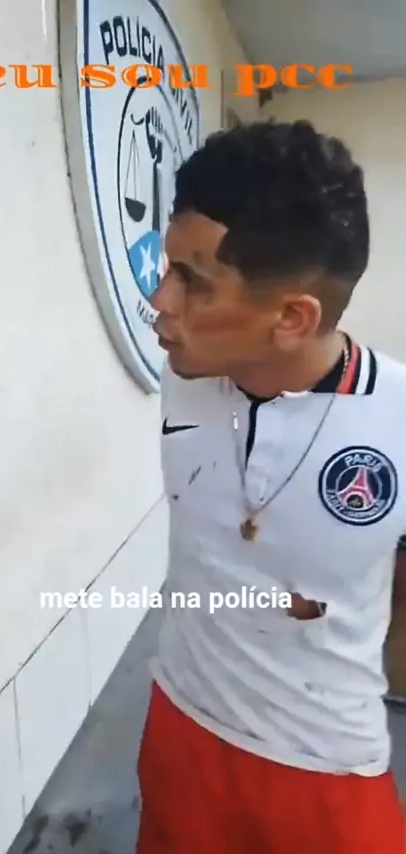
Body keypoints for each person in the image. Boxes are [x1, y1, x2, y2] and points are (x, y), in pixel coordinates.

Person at [136, 119, 406, 853]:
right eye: (167, 268)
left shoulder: (396, 420)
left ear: (292, 318)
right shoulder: (186, 375)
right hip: (180, 725)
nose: (159, 299)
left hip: (324, 769)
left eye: (193, 282)